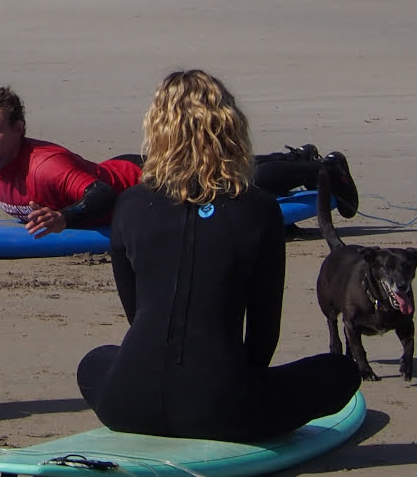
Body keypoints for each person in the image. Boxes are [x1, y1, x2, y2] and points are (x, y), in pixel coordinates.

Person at [76, 70, 361, 442]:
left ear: (156, 131)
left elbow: (137, 313)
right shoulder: (258, 209)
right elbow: (263, 333)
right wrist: (247, 387)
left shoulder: (128, 204)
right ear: (231, 129)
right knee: (341, 372)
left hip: (125, 407)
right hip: (221, 412)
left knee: (95, 362)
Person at [0, 84, 357, 237]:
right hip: (119, 175)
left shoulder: (46, 165)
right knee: (218, 168)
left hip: (143, 182)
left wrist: (64, 219)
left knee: (225, 180)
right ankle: (297, 158)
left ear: (19, 129)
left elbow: (102, 194)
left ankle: (321, 169)